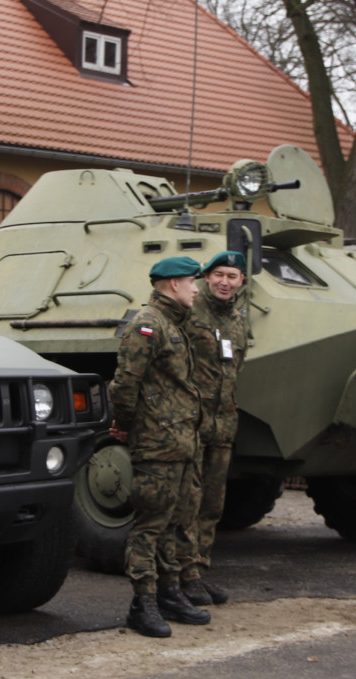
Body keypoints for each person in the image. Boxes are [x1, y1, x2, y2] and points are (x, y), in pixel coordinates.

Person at [108, 255, 211, 638]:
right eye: (191, 282)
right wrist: (125, 425)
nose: (196, 288)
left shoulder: (174, 324)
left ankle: (169, 592)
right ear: (172, 285)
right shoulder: (149, 324)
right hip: (157, 443)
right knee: (150, 523)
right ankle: (143, 602)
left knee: (176, 520)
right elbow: (125, 384)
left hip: (181, 440)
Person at [179, 250, 249, 606]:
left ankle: (199, 569)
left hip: (223, 424)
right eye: (218, 274)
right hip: (192, 421)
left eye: (232, 276)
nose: (224, 282)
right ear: (207, 277)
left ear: (241, 283)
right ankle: (181, 574)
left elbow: (235, 370)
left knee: (212, 504)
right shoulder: (189, 312)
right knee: (186, 502)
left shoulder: (238, 321)